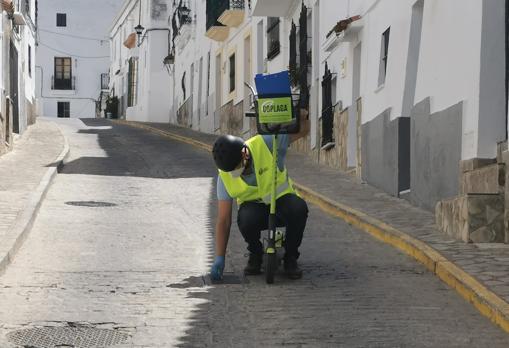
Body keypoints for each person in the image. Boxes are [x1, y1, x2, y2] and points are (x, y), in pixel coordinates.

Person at [210, 111, 310, 281]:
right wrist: (220, 257)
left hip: (282, 201)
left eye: (237, 167)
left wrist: (302, 117)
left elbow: (302, 132)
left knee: (298, 209)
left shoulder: (266, 143)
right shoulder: (225, 177)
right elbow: (224, 220)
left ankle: (291, 257)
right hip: (255, 210)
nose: (236, 172)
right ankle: (255, 254)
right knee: (246, 219)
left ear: (244, 154)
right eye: (231, 170)